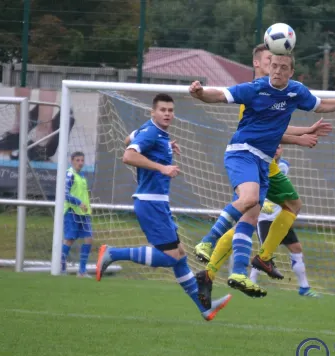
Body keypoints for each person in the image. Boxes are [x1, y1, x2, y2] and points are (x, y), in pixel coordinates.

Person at [188, 51, 335, 302]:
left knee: (253, 215)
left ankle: (231, 271)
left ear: (291, 71)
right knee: (253, 203)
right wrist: (200, 93)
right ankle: (214, 245)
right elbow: (220, 96)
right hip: (246, 154)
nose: (277, 70)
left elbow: (319, 107)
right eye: (273, 64)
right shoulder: (254, 90)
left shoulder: (295, 92)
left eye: (283, 66)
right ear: (262, 65)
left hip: (263, 161)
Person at [95, 93, 232, 322]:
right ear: (153, 112)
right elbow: (128, 155)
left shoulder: (156, 134)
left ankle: (204, 308)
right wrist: (162, 167)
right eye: (163, 110)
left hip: (157, 203)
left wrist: (163, 145)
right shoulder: (151, 132)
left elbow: (129, 139)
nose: (167, 113)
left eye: (170, 110)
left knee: (179, 256)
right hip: (150, 202)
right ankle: (112, 253)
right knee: (170, 257)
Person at [250, 145, 319, 297]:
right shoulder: (262, 165)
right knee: (264, 254)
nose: (276, 150)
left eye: (279, 148)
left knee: (296, 248)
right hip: (265, 218)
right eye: (273, 147)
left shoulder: (283, 166)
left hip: (281, 217)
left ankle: (304, 287)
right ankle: (251, 282)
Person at [61, 151, 93, 277]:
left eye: (82, 160)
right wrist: (78, 202)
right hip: (72, 211)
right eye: (78, 160)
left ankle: (82, 271)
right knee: (70, 239)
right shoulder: (70, 174)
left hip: (84, 213)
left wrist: (88, 207)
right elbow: (65, 194)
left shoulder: (82, 176)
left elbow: (83, 194)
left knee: (89, 239)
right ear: (72, 161)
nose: (80, 163)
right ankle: (61, 267)